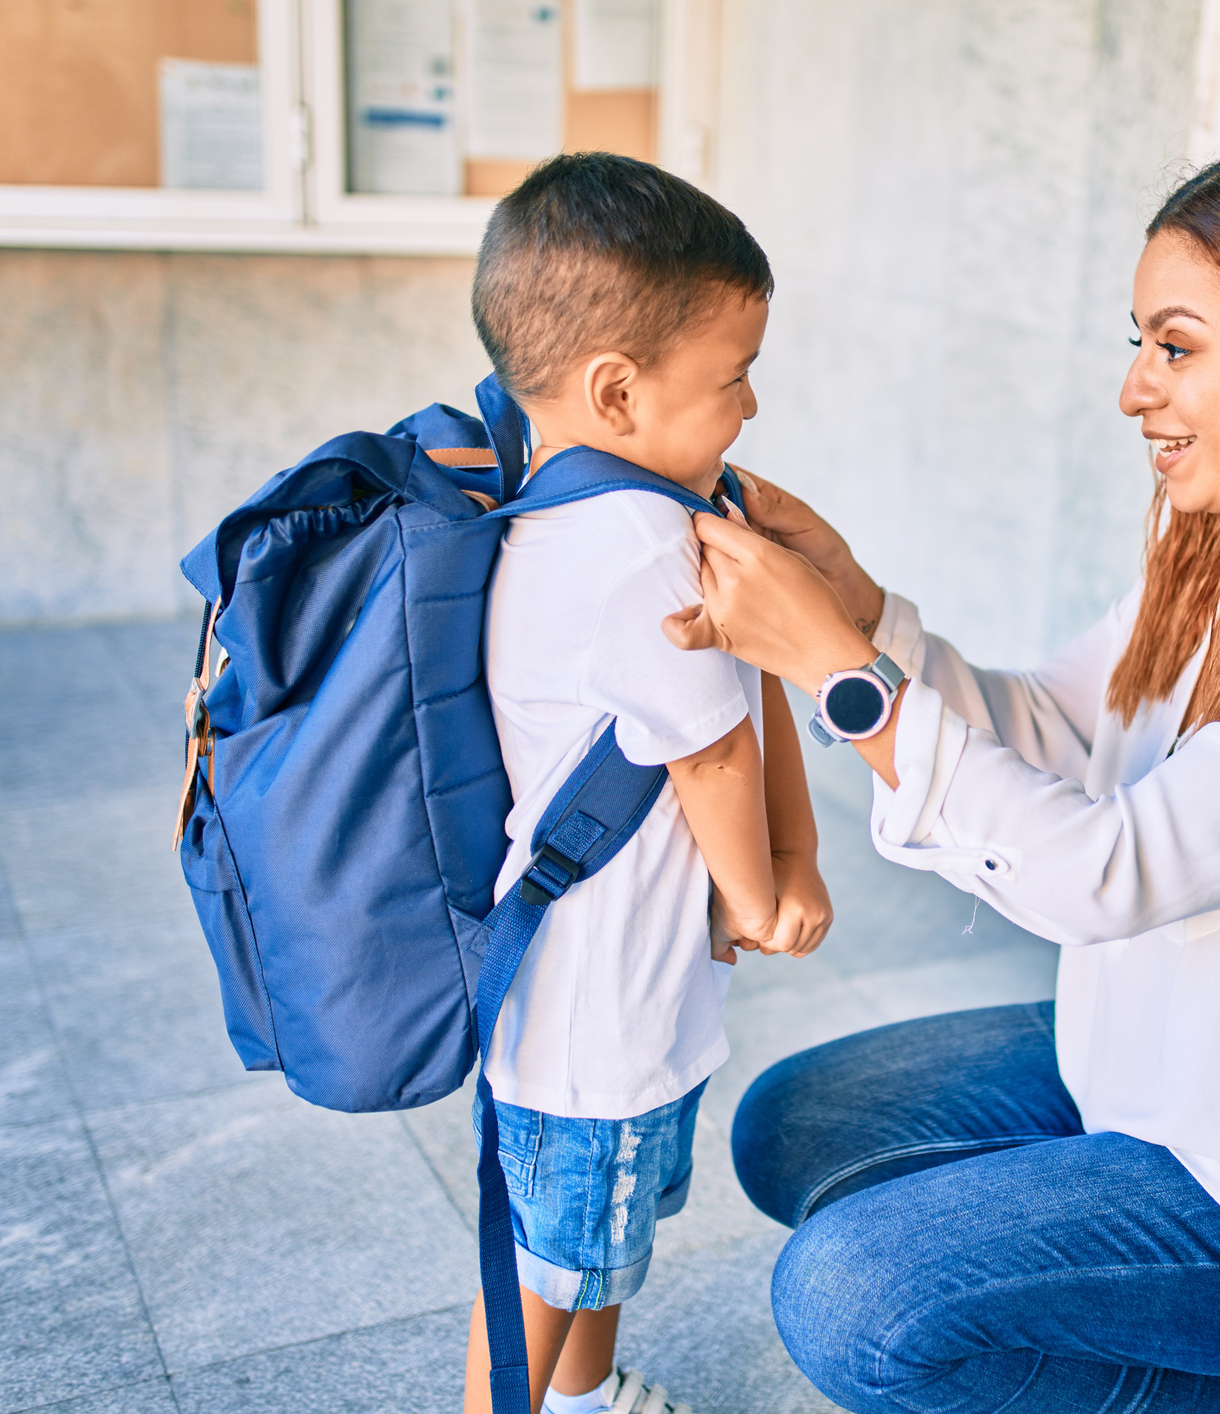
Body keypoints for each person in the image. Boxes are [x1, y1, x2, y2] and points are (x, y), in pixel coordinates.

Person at [661, 143, 1220, 1414]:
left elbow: (1108, 873)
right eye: (1139, 342)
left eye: (1175, 346)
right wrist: (858, 609)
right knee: (795, 1124)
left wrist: (834, 674)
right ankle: (1092, 1281)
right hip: (1157, 1068)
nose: (1135, 389)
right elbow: (1046, 725)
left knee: (852, 1298)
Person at [464, 152, 833, 1414]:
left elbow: (745, 686)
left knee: (593, 1242)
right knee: (545, 1266)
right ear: (617, 392)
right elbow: (710, 747)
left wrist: (783, 867)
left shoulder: (576, 512)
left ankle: (579, 1399)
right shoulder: (636, 545)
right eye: (732, 377)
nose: (751, 406)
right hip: (594, 1013)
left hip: (612, 988)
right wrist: (762, 890)